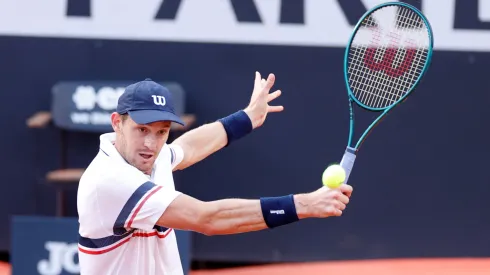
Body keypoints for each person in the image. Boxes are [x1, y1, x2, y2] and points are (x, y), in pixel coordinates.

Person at [77, 73, 354, 275]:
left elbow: (187, 147)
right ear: (117, 123)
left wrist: (247, 118)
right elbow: (207, 218)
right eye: (142, 130)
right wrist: (305, 204)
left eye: (161, 132)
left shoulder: (149, 155)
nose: (152, 143)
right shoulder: (110, 181)